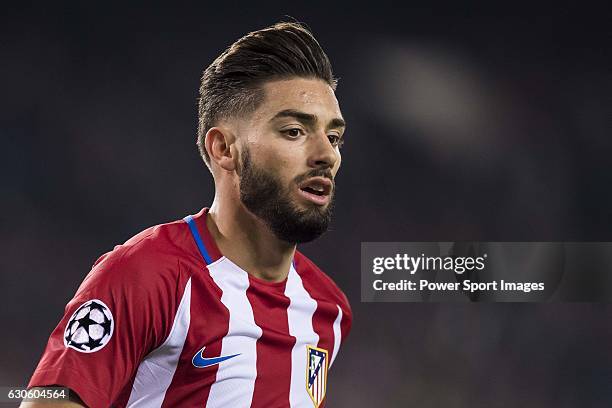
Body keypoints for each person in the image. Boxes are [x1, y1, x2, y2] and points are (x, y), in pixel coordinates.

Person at [22, 21, 352, 408]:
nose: (326, 155)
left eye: (333, 137)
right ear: (224, 149)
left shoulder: (327, 311)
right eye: (295, 131)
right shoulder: (147, 276)